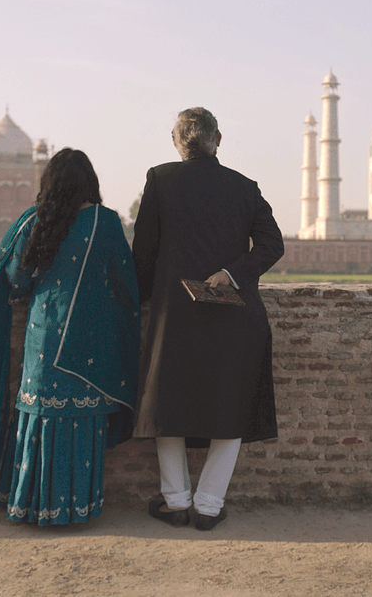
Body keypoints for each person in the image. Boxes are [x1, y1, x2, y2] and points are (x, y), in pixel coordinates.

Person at [0, 148, 139, 524]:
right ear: (91, 182)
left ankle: (30, 505)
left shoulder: (36, 221)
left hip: (43, 336)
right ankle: (74, 510)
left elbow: (15, 282)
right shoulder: (107, 222)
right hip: (89, 340)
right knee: (80, 423)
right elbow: (125, 284)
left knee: (40, 418)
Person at [132, 107, 284, 531]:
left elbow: (144, 251)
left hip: (173, 313)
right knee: (229, 404)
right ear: (219, 139)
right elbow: (272, 245)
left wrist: (144, 299)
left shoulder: (160, 180)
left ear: (177, 142)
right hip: (231, 311)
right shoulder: (243, 187)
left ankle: (176, 501)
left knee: (167, 402)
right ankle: (209, 506)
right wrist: (233, 273)